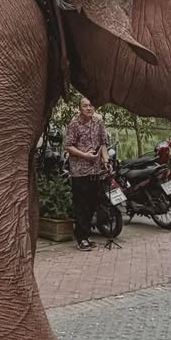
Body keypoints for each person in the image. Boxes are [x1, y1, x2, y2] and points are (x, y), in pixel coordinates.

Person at [65, 96, 108, 251]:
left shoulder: (99, 122)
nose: (89, 108)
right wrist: (85, 155)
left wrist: (106, 160)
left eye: (91, 105)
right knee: (81, 205)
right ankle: (81, 238)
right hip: (79, 170)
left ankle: (86, 235)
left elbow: (103, 143)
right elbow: (68, 146)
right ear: (80, 108)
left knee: (91, 204)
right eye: (85, 106)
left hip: (95, 170)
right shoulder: (74, 124)